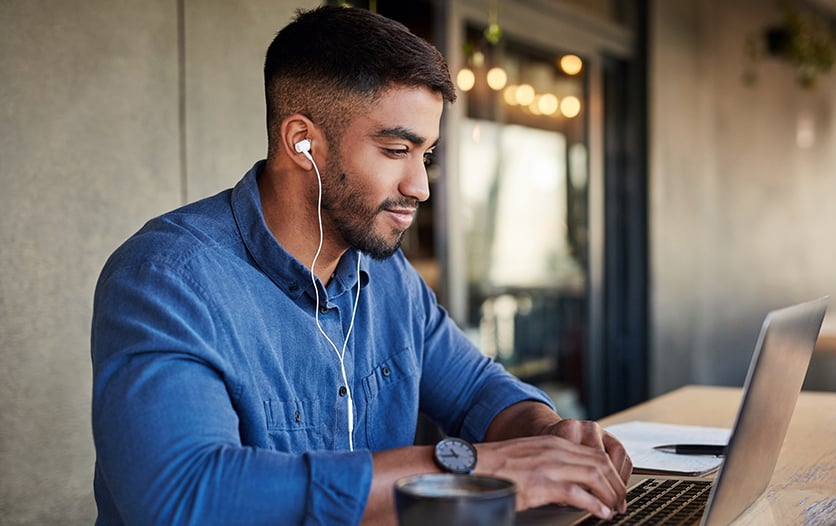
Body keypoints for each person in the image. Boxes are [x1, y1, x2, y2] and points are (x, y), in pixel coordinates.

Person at [90, 5, 631, 525]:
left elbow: (475, 392)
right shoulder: (165, 279)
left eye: (427, 155)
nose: (419, 187)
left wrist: (548, 434)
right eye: (397, 150)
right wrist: (470, 467)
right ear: (303, 142)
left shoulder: (387, 275)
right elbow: (186, 498)